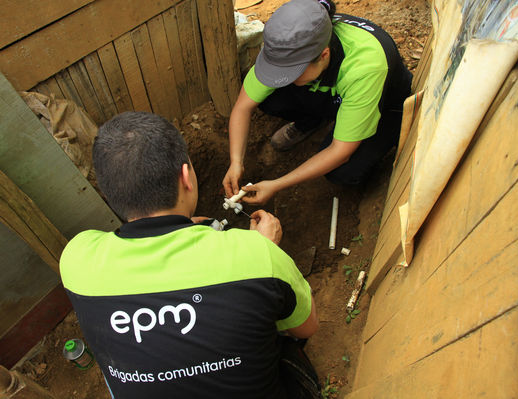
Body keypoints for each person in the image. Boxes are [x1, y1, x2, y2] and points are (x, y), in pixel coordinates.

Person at [60, 111, 321, 399]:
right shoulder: (258, 255)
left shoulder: (76, 260)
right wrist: (265, 249)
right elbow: (306, 328)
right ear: (186, 176)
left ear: (110, 194)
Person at [223, 0, 412, 204]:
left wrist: (277, 184)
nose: (283, 78)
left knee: (343, 171)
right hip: (335, 94)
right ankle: (312, 123)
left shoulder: (365, 68)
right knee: (270, 97)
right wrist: (236, 162)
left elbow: (340, 152)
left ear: (324, 55)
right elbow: (243, 106)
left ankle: (370, 142)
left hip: (383, 105)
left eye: (290, 73)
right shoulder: (285, 47)